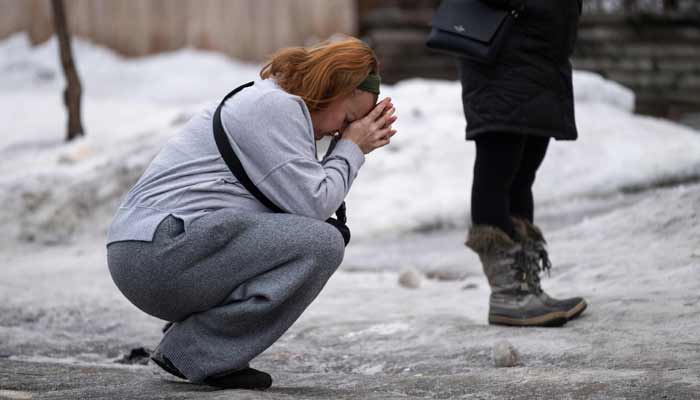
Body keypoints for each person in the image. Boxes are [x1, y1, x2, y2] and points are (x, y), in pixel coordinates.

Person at [106, 37, 397, 389]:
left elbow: (297, 211)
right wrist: (351, 148)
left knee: (303, 237)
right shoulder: (276, 108)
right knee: (322, 243)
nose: (340, 130)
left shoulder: (273, 104)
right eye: (348, 118)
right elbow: (315, 205)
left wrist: (347, 143)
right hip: (157, 250)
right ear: (333, 86)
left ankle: (197, 342)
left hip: (153, 249)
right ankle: (193, 351)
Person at [459, 0, 587, 327]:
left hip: (539, 58)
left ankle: (526, 287)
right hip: (501, 56)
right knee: (498, 169)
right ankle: (507, 294)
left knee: (523, 173)